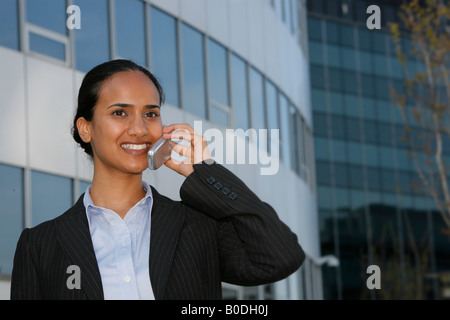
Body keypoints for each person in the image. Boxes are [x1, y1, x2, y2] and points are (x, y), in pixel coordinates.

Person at [10, 59, 305, 300]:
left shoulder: (197, 227)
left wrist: (205, 172)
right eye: (120, 112)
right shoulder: (39, 246)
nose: (139, 129)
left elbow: (281, 256)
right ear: (86, 128)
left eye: (150, 114)